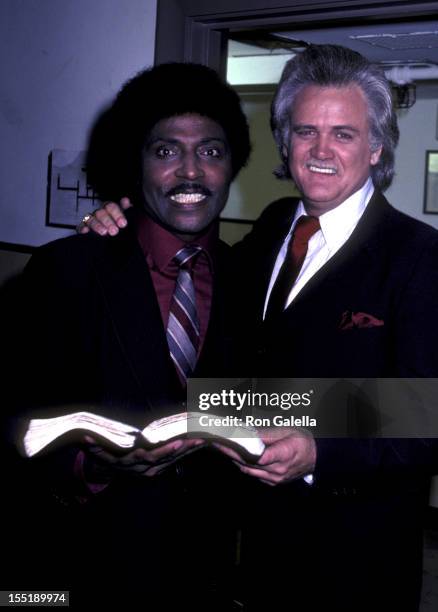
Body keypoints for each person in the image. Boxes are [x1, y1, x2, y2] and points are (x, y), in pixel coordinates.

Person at [80, 45, 438, 611]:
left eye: (343, 134)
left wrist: (321, 452)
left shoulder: (421, 257)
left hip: (356, 558)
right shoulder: (274, 226)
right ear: (284, 140)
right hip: (257, 542)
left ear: (375, 148)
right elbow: (204, 285)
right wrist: (122, 217)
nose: (320, 151)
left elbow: (426, 411)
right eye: (304, 132)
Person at [4, 62, 251, 610]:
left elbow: (262, 405)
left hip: (200, 576)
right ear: (135, 164)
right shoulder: (64, 271)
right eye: (165, 151)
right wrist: (88, 464)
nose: (191, 173)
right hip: (72, 572)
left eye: (211, 151)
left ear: (232, 164)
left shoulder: (253, 280)